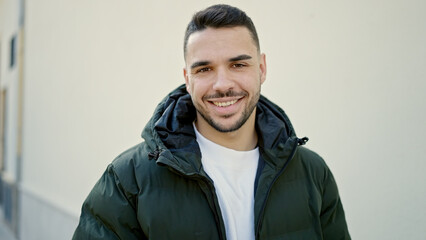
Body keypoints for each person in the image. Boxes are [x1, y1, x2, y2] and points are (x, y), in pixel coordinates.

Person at [73, 4, 350, 240]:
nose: (222, 85)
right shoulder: (128, 179)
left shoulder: (313, 174)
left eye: (238, 65)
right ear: (187, 78)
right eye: (204, 69)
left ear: (262, 68)